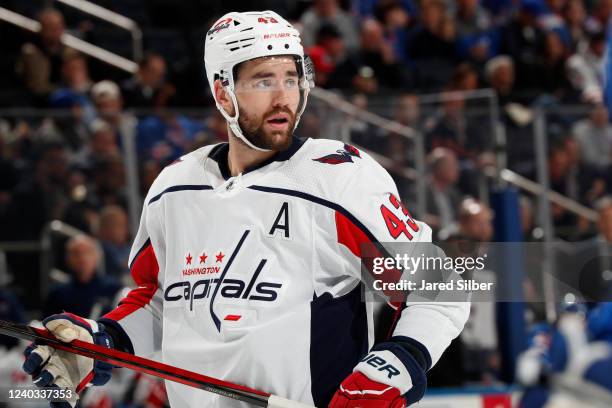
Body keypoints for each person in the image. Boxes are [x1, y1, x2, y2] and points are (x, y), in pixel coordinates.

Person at [22, 11, 469, 408]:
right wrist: (102, 340)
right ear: (223, 91)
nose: (283, 97)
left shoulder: (337, 178)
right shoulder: (174, 188)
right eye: (262, 80)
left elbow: (443, 284)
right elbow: (160, 304)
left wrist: (398, 361)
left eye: (291, 78)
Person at [44, 235, 121, 318]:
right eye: (76, 253)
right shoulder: (57, 294)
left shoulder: (114, 288)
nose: (82, 258)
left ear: (96, 256)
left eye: (87, 252)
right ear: (68, 259)